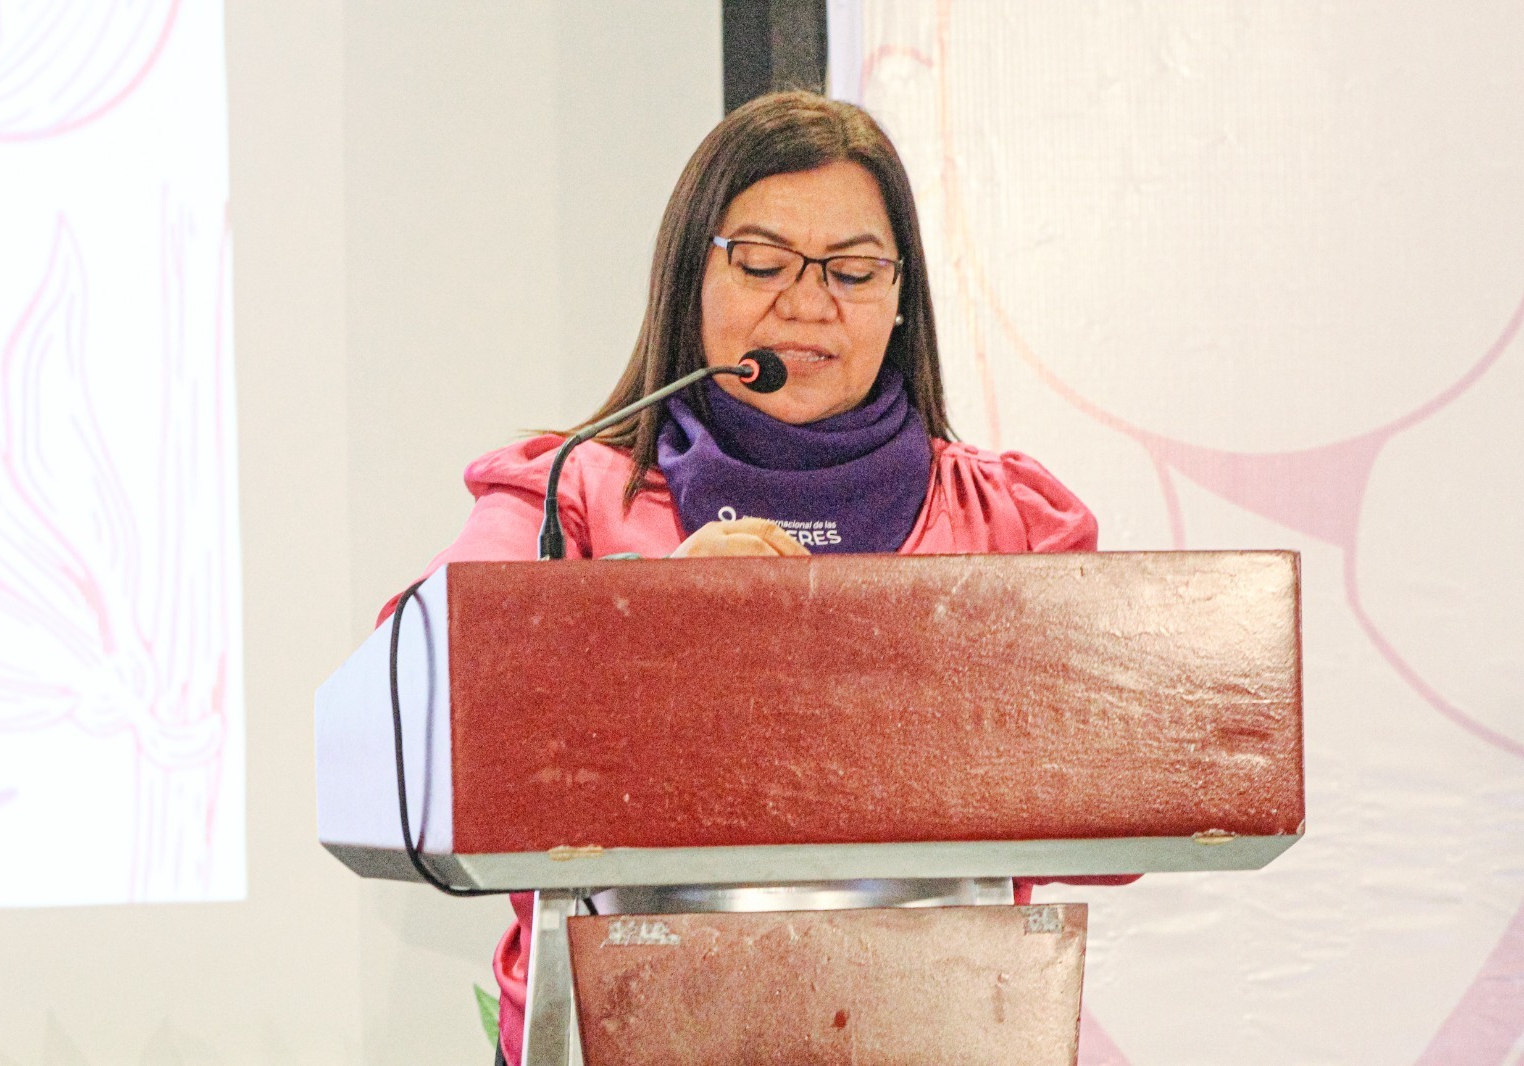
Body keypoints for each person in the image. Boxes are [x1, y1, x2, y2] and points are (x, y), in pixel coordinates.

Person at [383, 91, 1123, 1066]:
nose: (808, 305)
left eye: (852, 271)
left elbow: (1121, 806)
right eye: (765, 264)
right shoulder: (569, 494)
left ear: (902, 296)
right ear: (690, 278)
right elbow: (418, 689)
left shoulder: (1008, 520)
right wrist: (646, 616)